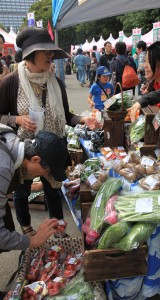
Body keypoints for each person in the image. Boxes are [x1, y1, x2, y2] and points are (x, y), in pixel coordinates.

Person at [0, 26, 100, 237]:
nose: (51, 55)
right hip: (25, 150)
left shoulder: (56, 83)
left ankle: (58, 227)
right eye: (45, 51)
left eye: (51, 51)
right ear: (29, 54)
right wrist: (16, 119)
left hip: (53, 148)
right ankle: (26, 227)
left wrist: (83, 119)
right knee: (21, 191)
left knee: (53, 189)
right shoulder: (11, 82)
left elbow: (66, 114)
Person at [0, 126, 69, 252]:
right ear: (35, 159)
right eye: (47, 171)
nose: (45, 175)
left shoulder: (9, 135)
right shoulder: (3, 168)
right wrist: (33, 240)